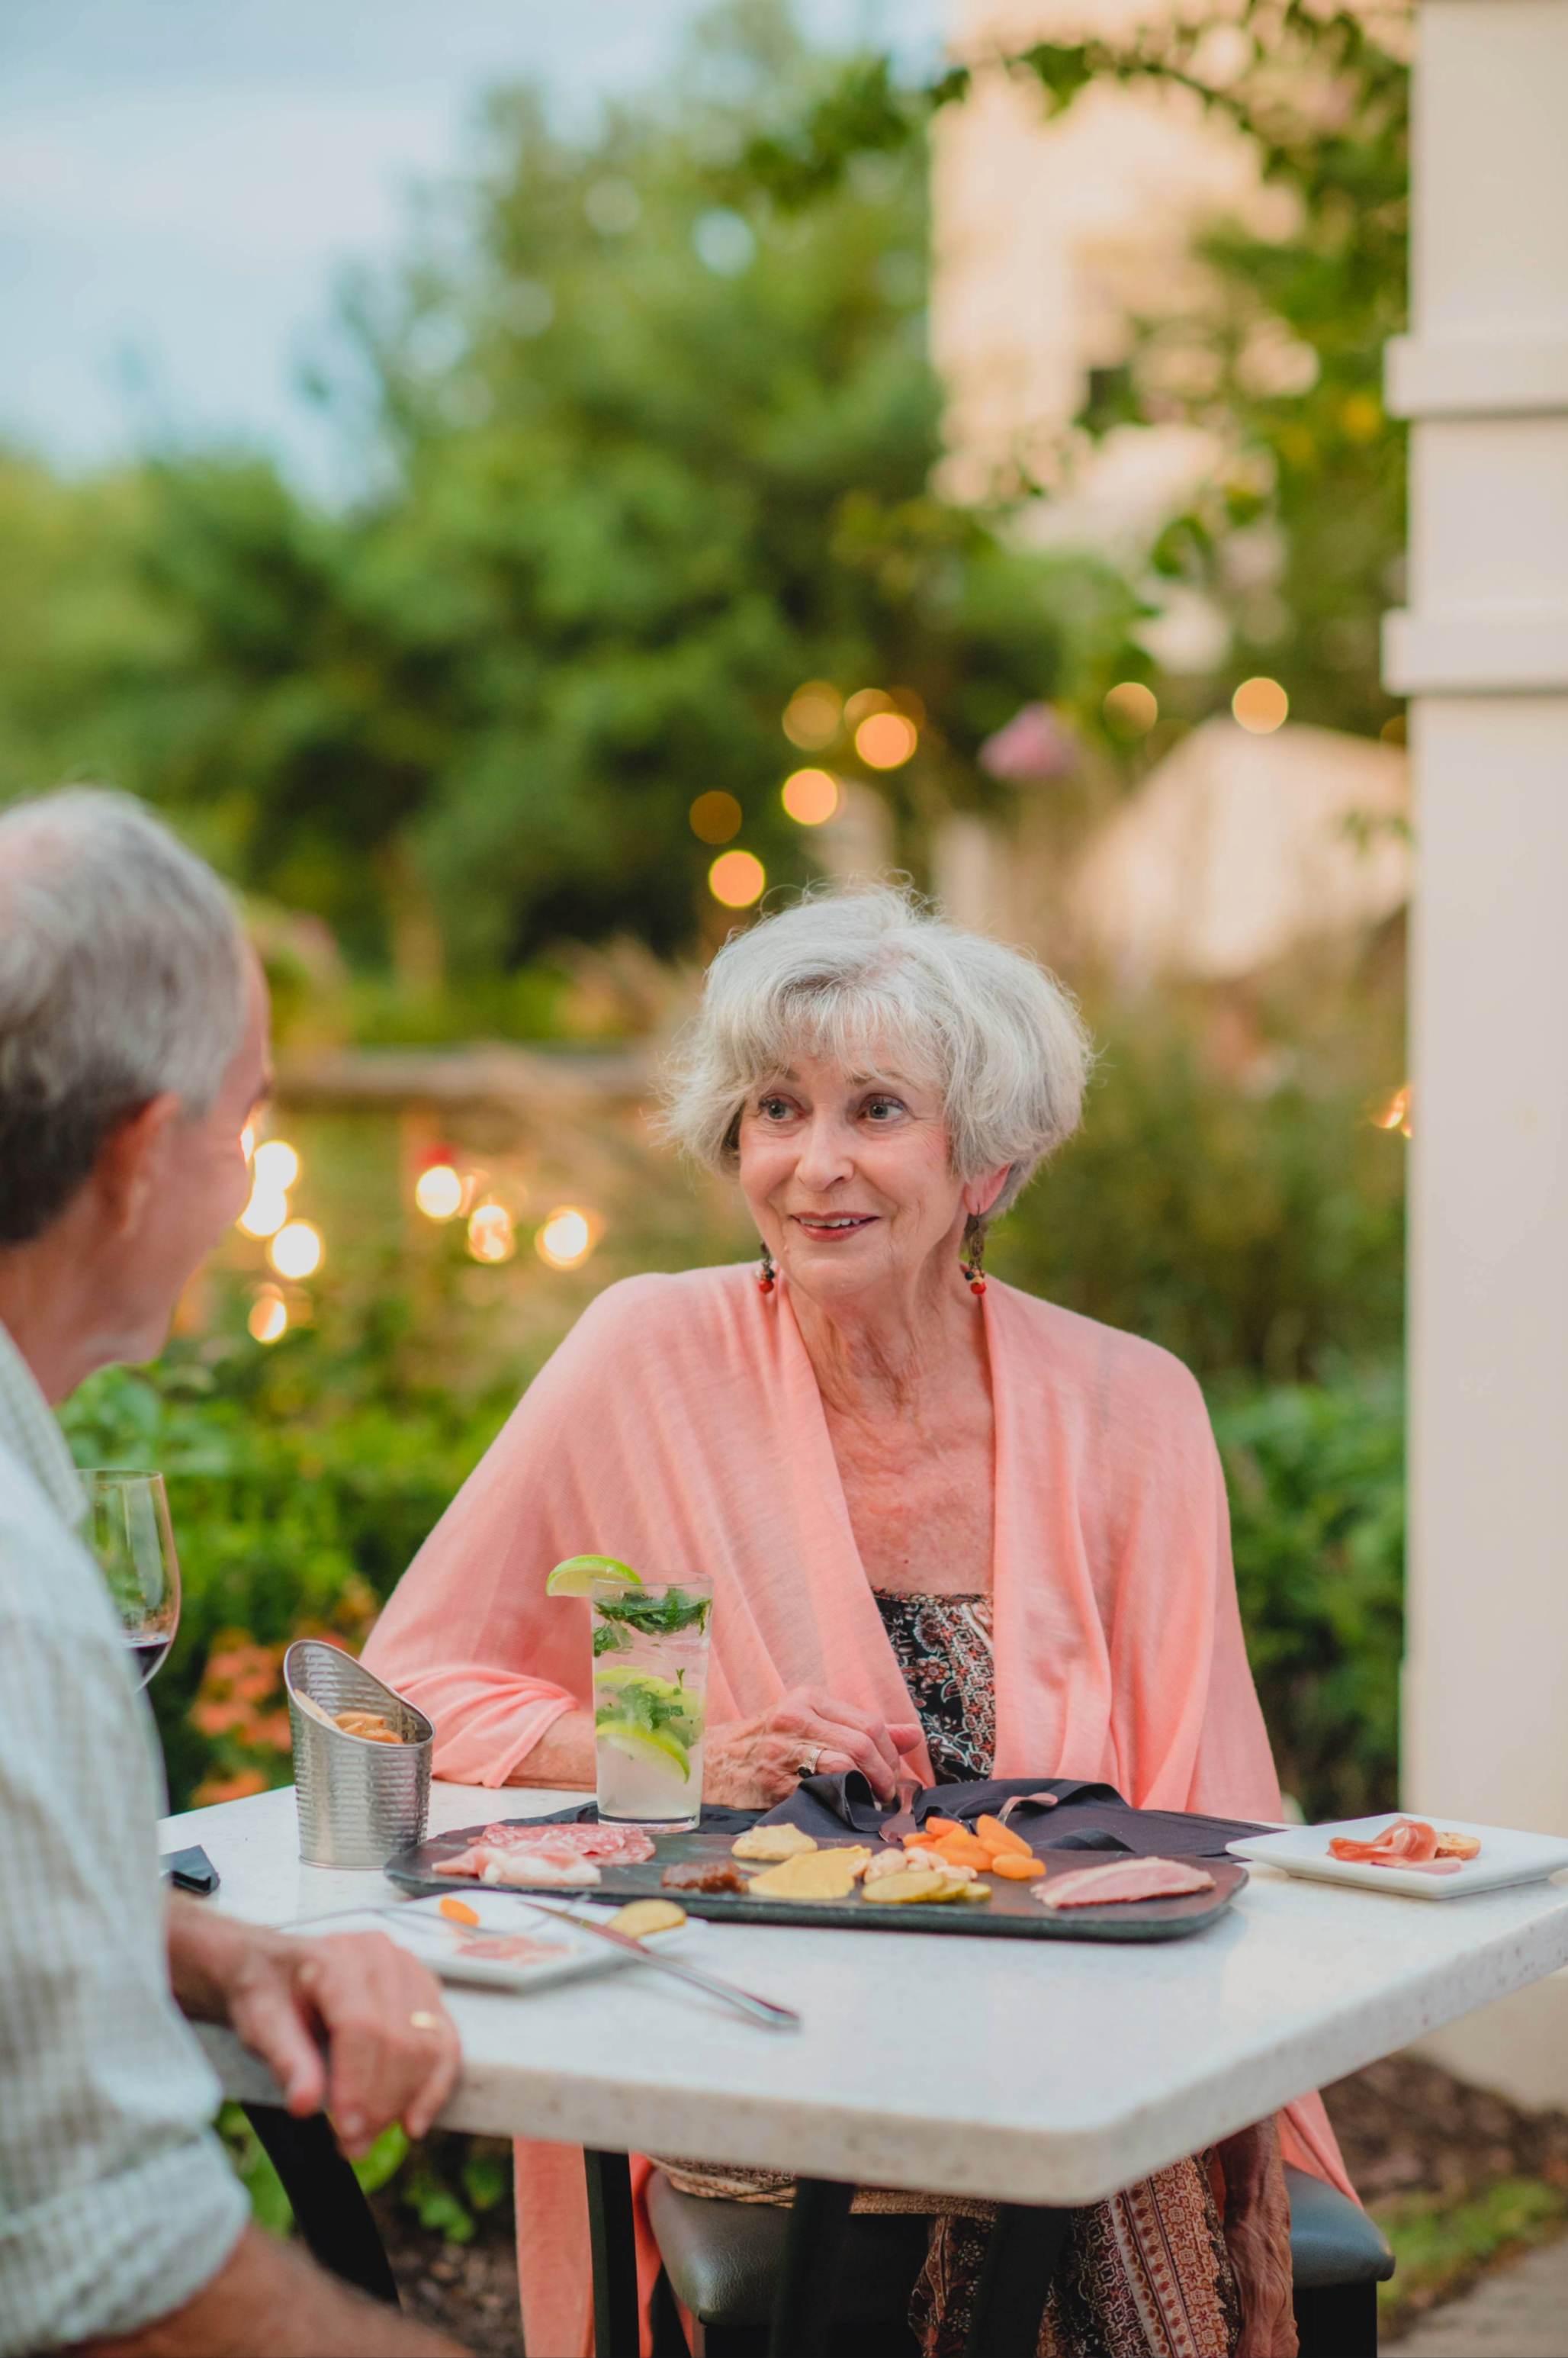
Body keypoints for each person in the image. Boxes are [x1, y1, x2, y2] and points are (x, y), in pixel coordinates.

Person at [365, 883, 1356, 2358]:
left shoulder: (1134, 1405)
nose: (812, 1164)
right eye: (776, 1109)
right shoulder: (647, 1353)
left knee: (1077, 2144)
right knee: (1019, 2170)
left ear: (991, 1162)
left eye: (874, 1110)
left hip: (1080, 2033)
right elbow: (405, 1692)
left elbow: (1211, 1807)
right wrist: (675, 1747)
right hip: (763, 2048)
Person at [0, 789, 471, 2358]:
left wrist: (207, 1947)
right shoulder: (16, 1589)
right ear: (139, 1158)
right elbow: (109, 2279)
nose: (246, 1178)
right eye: (247, 1122)